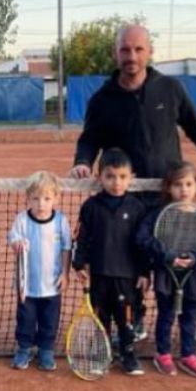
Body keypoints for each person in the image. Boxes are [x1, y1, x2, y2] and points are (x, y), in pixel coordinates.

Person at [70, 24, 196, 347]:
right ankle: (135, 318)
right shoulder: (102, 99)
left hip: (168, 196)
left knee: (187, 257)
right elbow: (89, 138)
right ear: (116, 53)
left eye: (138, 49)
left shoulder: (170, 89)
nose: (131, 56)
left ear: (150, 52)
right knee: (128, 261)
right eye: (125, 50)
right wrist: (83, 160)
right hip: (125, 197)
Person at [136, 161, 196, 378]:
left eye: (189, 184)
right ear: (168, 188)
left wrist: (194, 258)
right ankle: (162, 353)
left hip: (193, 277)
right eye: (177, 185)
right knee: (166, 315)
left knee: (189, 317)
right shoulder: (157, 215)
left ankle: (188, 355)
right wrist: (168, 256)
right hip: (167, 275)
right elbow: (142, 239)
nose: (183, 189)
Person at [73, 149, 149, 376]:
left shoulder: (137, 208)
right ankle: (100, 354)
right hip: (99, 274)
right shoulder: (90, 207)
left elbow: (142, 244)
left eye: (123, 177)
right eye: (110, 176)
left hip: (127, 276)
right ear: (99, 177)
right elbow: (82, 238)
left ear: (131, 178)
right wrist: (78, 264)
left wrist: (145, 271)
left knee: (126, 318)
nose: (117, 182)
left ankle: (128, 355)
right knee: (100, 317)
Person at [7, 171, 72, 371]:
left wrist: (65, 274)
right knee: (25, 320)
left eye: (46, 198)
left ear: (55, 199)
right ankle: (24, 349)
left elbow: (66, 249)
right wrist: (17, 243)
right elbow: (13, 239)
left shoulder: (61, 221)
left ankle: (46, 350)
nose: (41, 204)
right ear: (28, 198)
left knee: (49, 321)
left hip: (52, 285)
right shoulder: (22, 220)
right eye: (35, 198)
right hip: (27, 285)